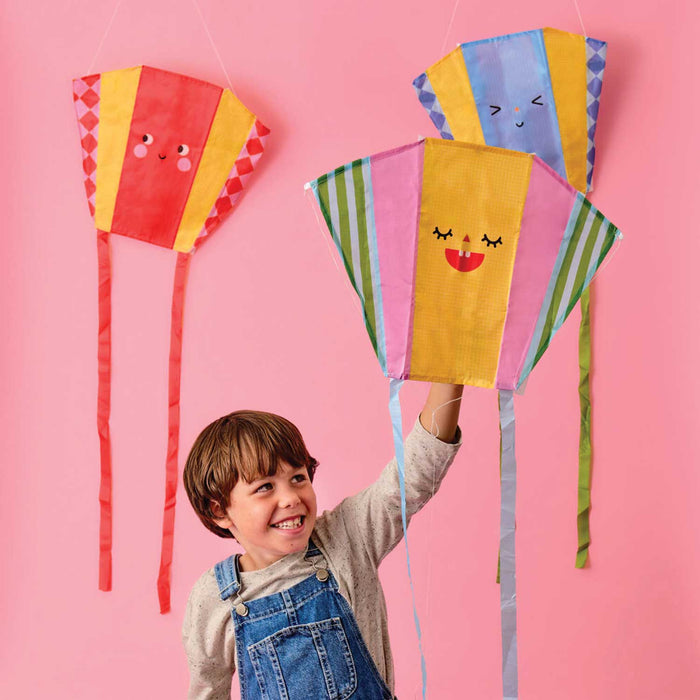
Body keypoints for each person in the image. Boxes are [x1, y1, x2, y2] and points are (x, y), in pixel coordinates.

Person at [182, 383, 463, 699]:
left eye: (298, 478)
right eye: (264, 487)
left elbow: (414, 475)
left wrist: (450, 376)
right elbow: (207, 692)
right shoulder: (214, 598)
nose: (290, 498)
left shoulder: (348, 537)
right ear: (220, 510)